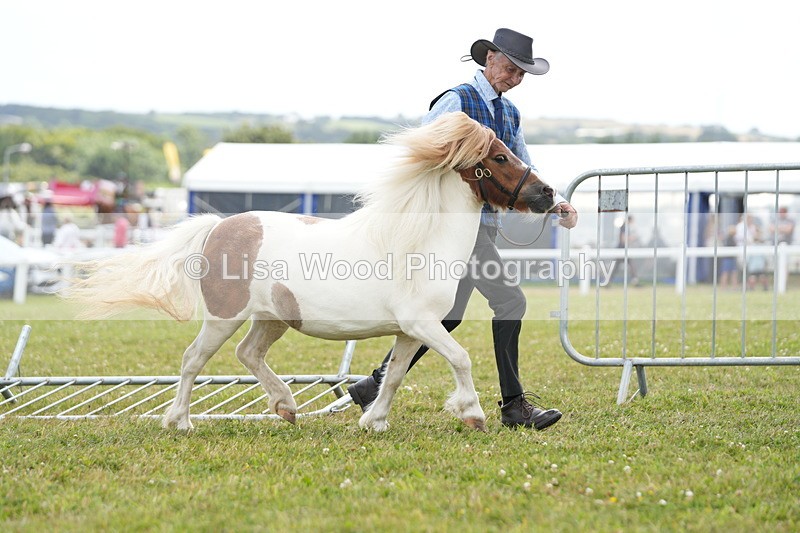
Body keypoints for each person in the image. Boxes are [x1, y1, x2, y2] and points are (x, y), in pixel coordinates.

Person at [347, 28, 578, 430]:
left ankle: (372, 385)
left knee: (448, 316)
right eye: (510, 68)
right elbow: (424, 155)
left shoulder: (510, 113)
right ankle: (514, 406)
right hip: (450, 229)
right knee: (510, 302)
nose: (515, 78)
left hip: (480, 228)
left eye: (521, 73)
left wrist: (554, 201)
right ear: (489, 59)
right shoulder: (457, 101)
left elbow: (522, 165)